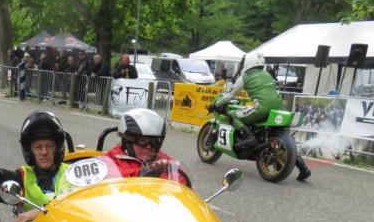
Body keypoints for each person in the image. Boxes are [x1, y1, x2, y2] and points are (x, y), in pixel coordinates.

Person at [212, 52, 311, 181]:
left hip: (261, 108)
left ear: (248, 62)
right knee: (281, 138)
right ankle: (304, 169)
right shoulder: (268, 75)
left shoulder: (245, 76)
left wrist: (217, 103)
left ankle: (249, 138)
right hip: (279, 109)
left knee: (231, 114)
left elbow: (230, 95)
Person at [0, 111, 70, 222]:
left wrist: (40, 212)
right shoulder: (22, 177)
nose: (44, 152)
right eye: (38, 147)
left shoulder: (73, 172)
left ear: (57, 148)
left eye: (49, 146)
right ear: (30, 151)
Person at [104, 108, 191, 187]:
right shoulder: (109, 160)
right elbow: (103, 185)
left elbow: (185, 186)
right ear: (127, 140)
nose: (149, 146)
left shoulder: (165, 161)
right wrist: (142, 174)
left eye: (155, 141)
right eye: (143, 140)